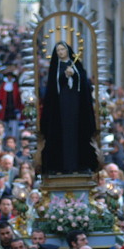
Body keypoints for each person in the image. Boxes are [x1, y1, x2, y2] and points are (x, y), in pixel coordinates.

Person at [40, 41, 98, 174]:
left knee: (78, 133)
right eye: (58, 50)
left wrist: (75, 74)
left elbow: (84, 84)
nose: (61, 52)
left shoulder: (77, 65)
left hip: (77, 107)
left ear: (68, 51)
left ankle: (81, 165)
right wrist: (64, 76)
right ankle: (59, 166)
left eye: (63, 49)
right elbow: (52, 89)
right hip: (60, 109)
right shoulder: (55, 67)